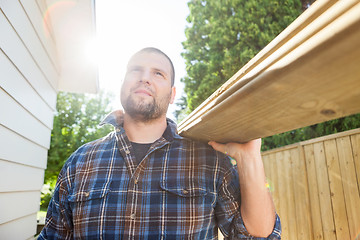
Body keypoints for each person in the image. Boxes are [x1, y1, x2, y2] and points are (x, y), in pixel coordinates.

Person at [39, 47, 281, 239]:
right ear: (122, 83)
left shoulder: (210, 160)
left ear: (173, 94)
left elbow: (257, 237)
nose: (144, 78)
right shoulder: (80, 162)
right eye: (135, 70)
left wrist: (249, 157)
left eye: (158, 73)